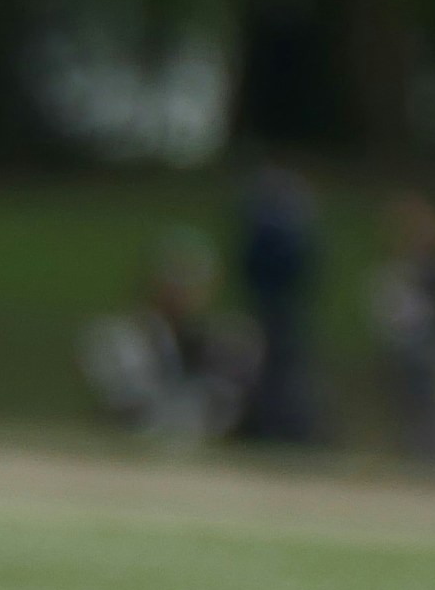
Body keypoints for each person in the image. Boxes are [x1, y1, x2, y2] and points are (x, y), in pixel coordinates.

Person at [82, 227, 249, 443]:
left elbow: (226, 408)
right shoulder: (115, 336)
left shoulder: (216, 341)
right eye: (177, 279)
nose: (184, 293)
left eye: (194, 281)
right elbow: (132, 409)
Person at [231, 163, 325, 447]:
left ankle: (285, 427)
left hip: (278, 305)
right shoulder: (289, 224)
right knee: (276, 367)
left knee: (281, 368)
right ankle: (278, 427)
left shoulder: (269, 223)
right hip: (278, 305)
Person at [372, 193, 435, 468]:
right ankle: (413, 455)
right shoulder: (407, 267)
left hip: (426, 342)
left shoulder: (433, 268)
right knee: (408, 400)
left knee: (428, 400)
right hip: (408, 341)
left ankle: (434, 458)